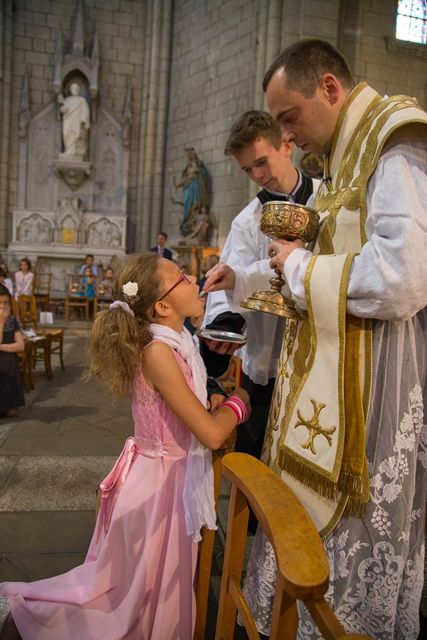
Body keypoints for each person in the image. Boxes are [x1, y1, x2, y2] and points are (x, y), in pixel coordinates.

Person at [226, 38, 427, 639]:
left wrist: (297, 268)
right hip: (339, 376)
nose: (287, 137)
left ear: (330, 90)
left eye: (290, 118)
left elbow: (400, 279)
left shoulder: (395, 142)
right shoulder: (346, 154)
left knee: (356, 523)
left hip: (375, 385)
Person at [0, 252, 250, 640]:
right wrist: (240, 403)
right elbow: (212, 435)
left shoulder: (177, 339)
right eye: (182, 277)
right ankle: (32, 619)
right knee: (128, 596)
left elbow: (187, 405)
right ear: (163, 305)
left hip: (165, 477)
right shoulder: (158, 351)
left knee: (150, 589)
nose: (193, 278)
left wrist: (212, 399)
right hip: (158, 488)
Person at [202, 110, 320, 460]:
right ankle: (251, 517)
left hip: (317, 353)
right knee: (254, 452)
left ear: (286, 144)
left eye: (261, 162)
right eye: (247, 169)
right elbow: (231, 277)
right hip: (265, 358)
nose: (257, 175)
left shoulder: (326, 198)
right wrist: (226, 323)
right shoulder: (247, 221)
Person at [0, 284, 25, 418]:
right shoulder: (5, 320)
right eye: (0, 302)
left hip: (9, 367)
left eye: (5, 302)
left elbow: (20, 346)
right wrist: (1, 323)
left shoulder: (12, 320)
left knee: (12, 412)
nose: (3, 306)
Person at [174, 146, 210, 237]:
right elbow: (183, 181)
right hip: (188, 189)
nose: (189, 157)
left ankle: (193, 223)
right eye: (188, 155)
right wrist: (176, 184)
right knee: (187, 205)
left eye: (190, 154)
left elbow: (205, 175)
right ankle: (187, 222)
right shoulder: (187, 170)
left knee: (195, 204)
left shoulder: (199, 164)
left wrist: (198, 171)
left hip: (197, 188)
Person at [58, 82, 90, 158]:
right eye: (72, 88)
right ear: (70, 89)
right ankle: (68, 151)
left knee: (76, 135)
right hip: (68, 121)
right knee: (66, 134)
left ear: (78, 90)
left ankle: (73, 152)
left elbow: (85, 111)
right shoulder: (67, 100)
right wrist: (62, 108)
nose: (74, 89)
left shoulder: (82, 100)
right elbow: (62, 110)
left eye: (76, 88)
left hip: (77, 121)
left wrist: (83, 119)